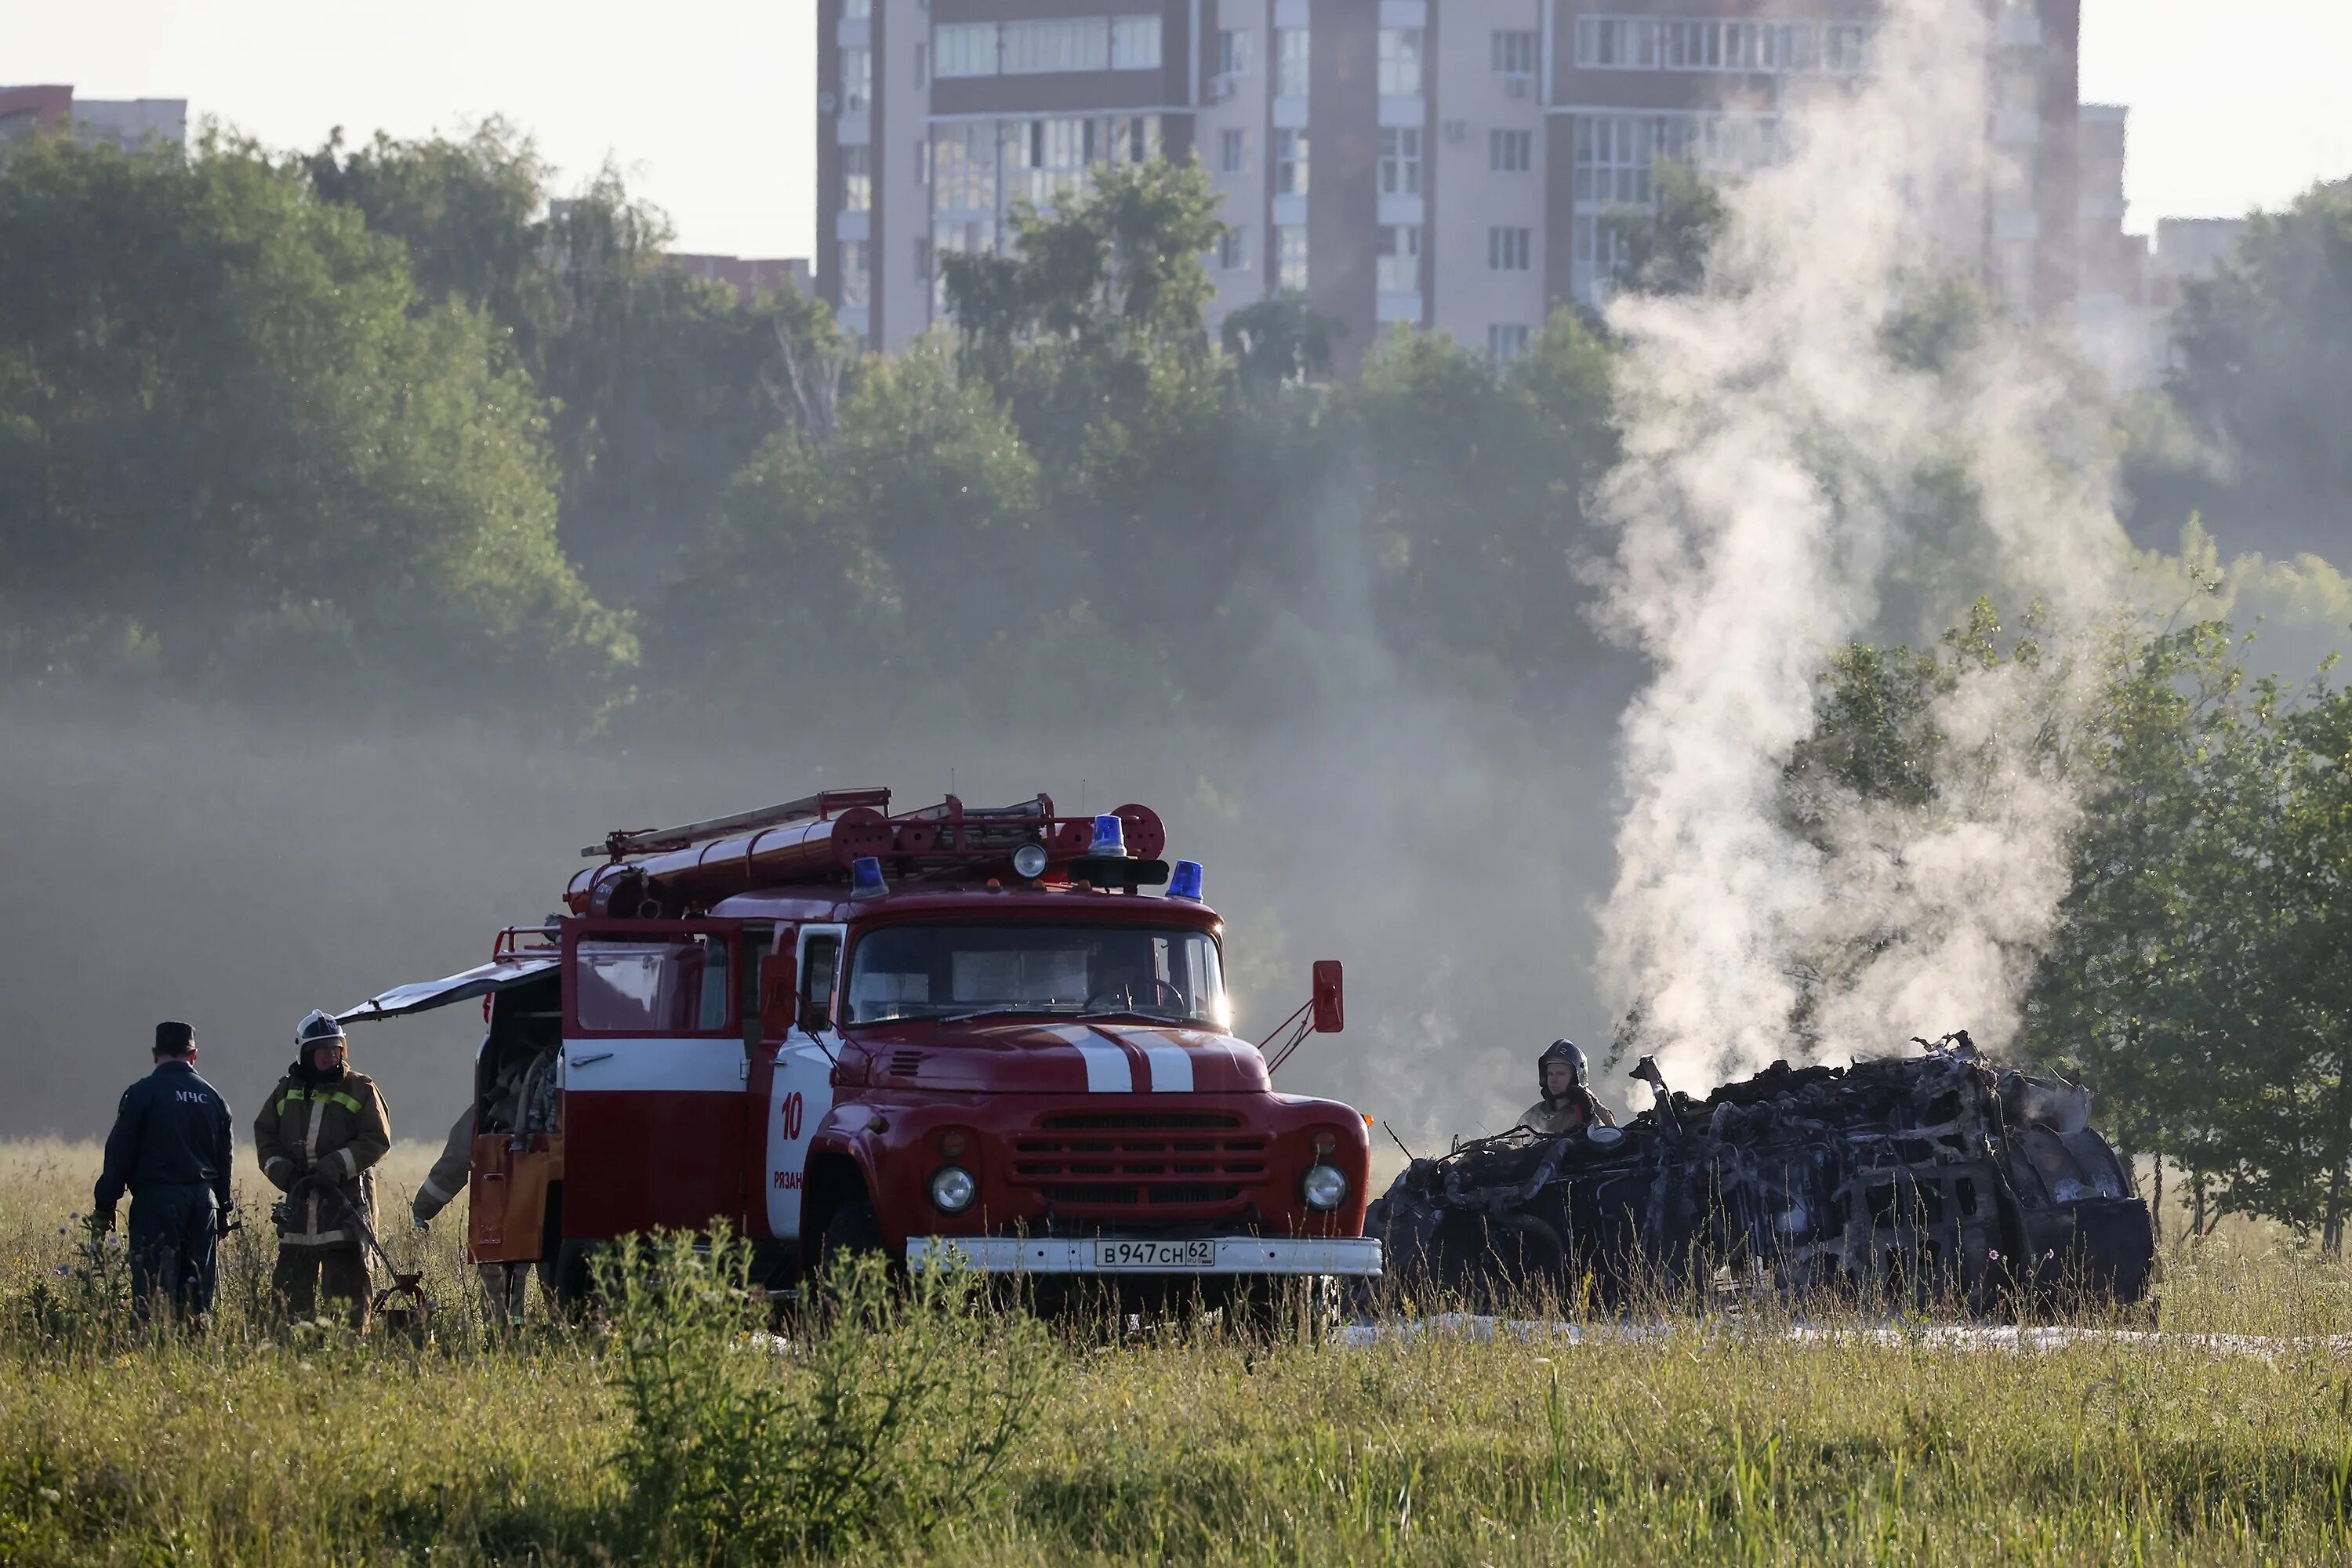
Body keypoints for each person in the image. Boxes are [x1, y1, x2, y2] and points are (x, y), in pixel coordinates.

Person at [254, 1010, 392, 1327]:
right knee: (288, 1295)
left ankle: (347, 1352)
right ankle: (292, 1349)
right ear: (305, 1053)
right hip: (300, 1208)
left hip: (345, 1205)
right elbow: (266, 1137)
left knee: (348, 1298)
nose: (332, 1055)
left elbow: (377, 1139)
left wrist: (336, 1165)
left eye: (337, 1048)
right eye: (323, 1049)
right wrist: (284, 1173)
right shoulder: (285, 1090)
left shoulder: (360, 1088)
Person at [92, 1021, 235, 1323]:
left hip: (156, 1201)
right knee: (197, 1296)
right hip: (203, 1203)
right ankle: (196, 1353)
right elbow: (225, 1161)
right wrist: (223, 1209)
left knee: (153, 1289)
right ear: (194, 1055)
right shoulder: (214, 1099)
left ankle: (153, 1349)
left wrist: (106, 1204)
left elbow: (119, 1153)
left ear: (155, 1053)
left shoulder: (141, 1094)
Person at [1519, 1038, 1615, 1137]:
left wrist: (1588, 1118)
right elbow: (1516, 1146)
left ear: (1575, 1078)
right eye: (1550, 1074)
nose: (1553, 1079)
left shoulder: (1592, 1110)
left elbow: (1611, 1139)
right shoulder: (1533, 1115)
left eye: (1560, 1074)